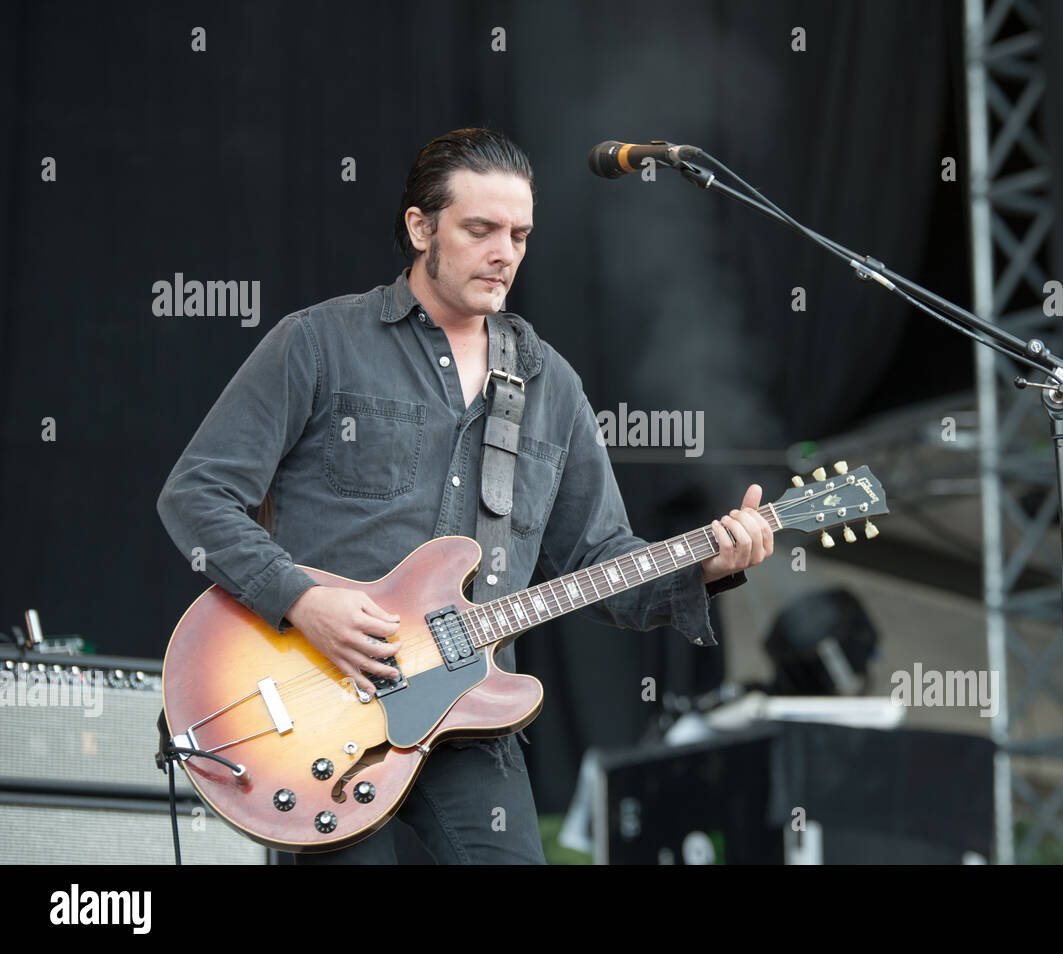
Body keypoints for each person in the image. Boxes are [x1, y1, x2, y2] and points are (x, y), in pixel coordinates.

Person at [156, 127, 773, 864]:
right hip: (320, 706)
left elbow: (606, 563)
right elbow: (197, 495)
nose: (504, 251)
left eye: (518, 233)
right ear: (421, 227)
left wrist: (707, 563)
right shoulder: (319, 343)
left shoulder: (552, 388)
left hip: (469, 717)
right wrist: (301, 600)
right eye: (480, 229)